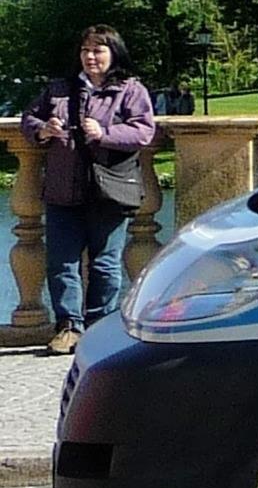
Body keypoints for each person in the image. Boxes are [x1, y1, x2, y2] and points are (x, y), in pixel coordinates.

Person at [19, 26, 156, 354]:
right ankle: (68, 326)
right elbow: (28, 119)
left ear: (114, 53)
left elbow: (143, 131)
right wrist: (43, 129)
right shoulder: (59, 89)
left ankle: (100, 326)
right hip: (62, 189)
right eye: (85, 50)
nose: (90, 56)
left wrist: (105, 133)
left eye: (98, 50)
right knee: (61, 262)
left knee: (105, 263)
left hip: (110, 190)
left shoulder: (130, 89)